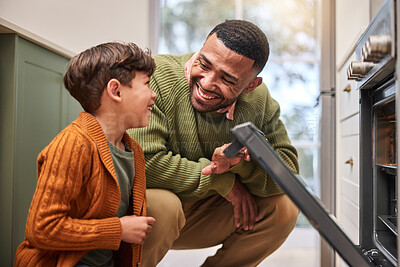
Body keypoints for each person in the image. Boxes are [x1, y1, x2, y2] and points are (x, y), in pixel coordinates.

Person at [129, 19, 300, 267]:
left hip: (200, 213)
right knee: (164, 206)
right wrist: (223, 180)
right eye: (204, 64)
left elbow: (288, 175)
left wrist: (240, 164)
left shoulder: (259, 102)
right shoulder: (157, 76)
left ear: (251, 86)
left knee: (283, 208)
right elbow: (142, 162)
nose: (207, 83)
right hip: (149, 213)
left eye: (228, 79)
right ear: (199, 50)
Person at [14, 41, 157, 267]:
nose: (154, 94)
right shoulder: (73, 144)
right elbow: (41, 229)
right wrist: (118, 230)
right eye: (147, 84)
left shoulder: (133, 151)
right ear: (116, 90)